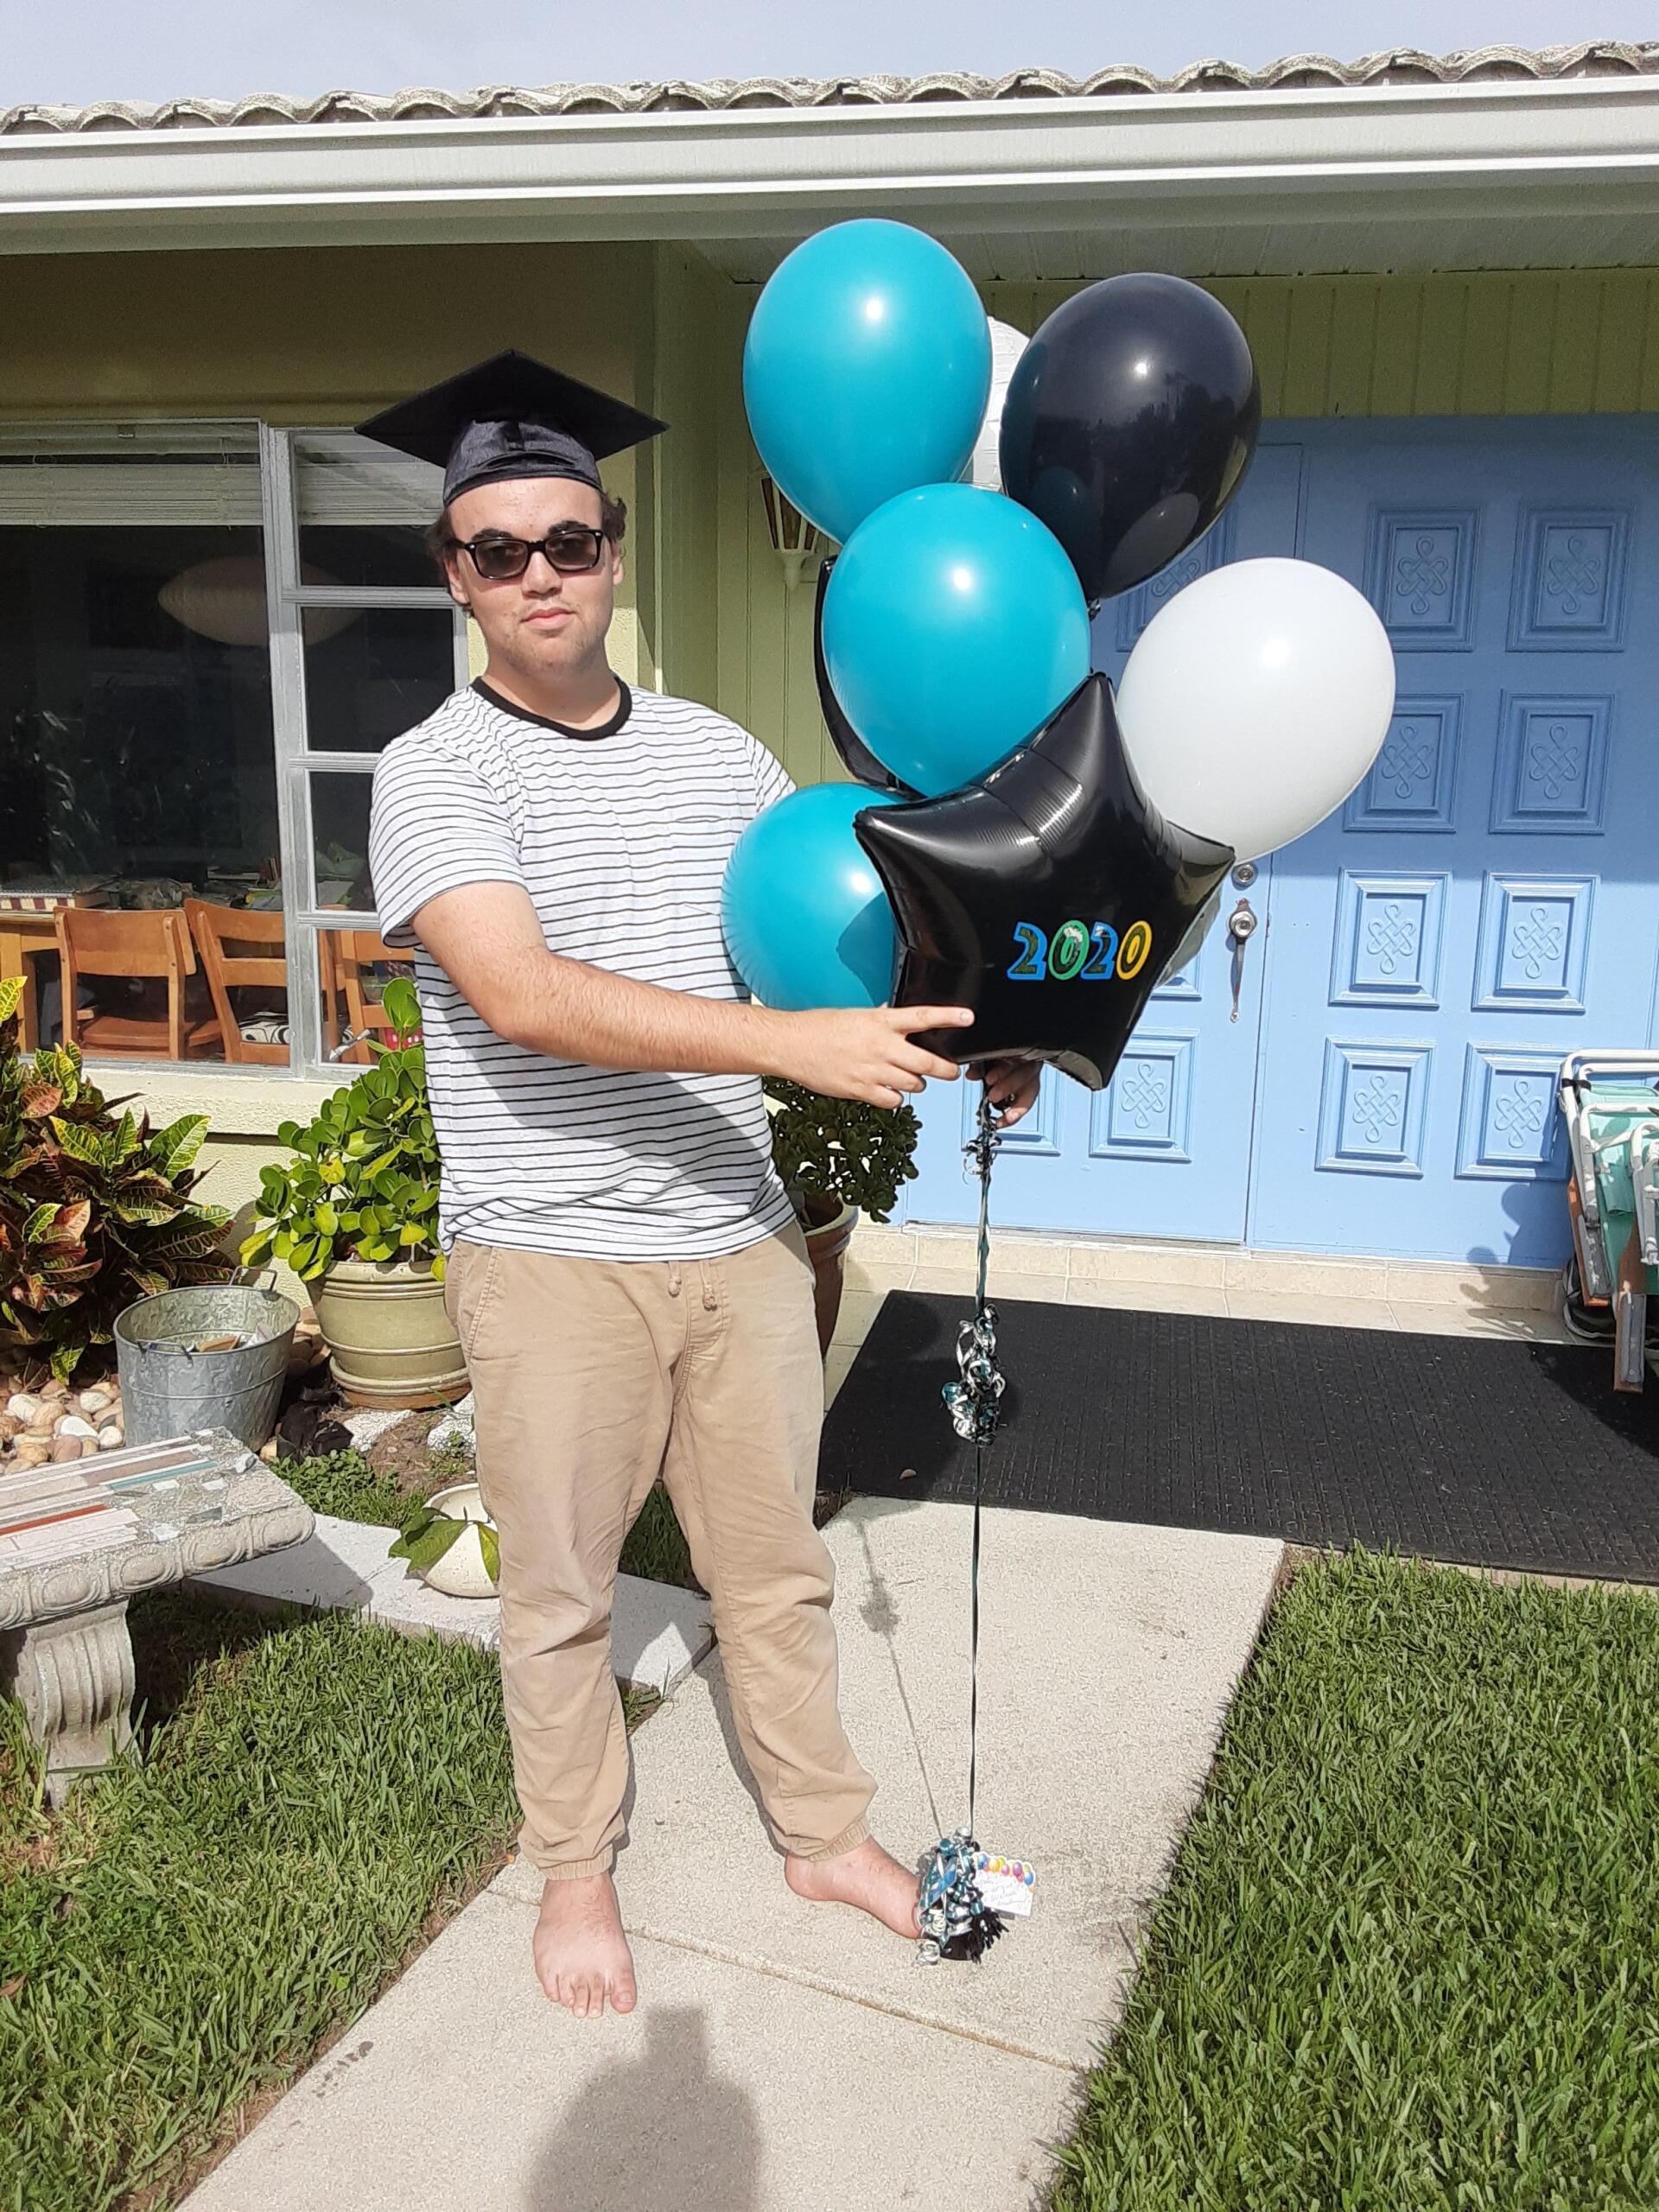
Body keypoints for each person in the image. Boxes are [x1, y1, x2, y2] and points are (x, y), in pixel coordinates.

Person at [363, 353, 1039, 2021]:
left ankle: (822, 1835)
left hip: (735, 1242)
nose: (541, 575)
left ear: (613, 554)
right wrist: (785, 1044)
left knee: (775, 1569)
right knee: (561, 1599)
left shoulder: (716, 752)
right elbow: (523, 994)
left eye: (570, 542)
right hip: (553, 1260)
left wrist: (972, 1040)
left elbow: (830, 943)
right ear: (456, 574)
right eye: (501, 549)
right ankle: (576, 1875)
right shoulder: (434, 770)